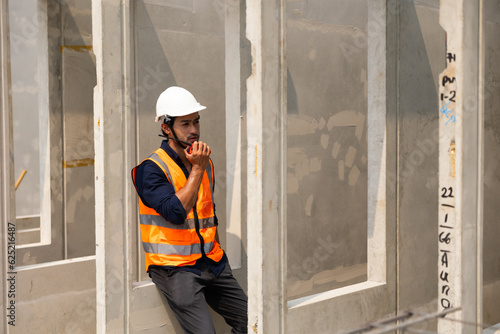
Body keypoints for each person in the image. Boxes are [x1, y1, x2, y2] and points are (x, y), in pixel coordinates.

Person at [131, 86, 248, 334]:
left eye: (196, 122)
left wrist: (215, 251)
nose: (194, 130)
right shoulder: (150, 169)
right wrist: (197, 169)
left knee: (254, 320)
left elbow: (209, 214)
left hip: (212, 262)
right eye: (185, 124)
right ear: (166, 127)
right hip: (174, 268)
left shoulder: (204, 164)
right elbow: (175, 212)